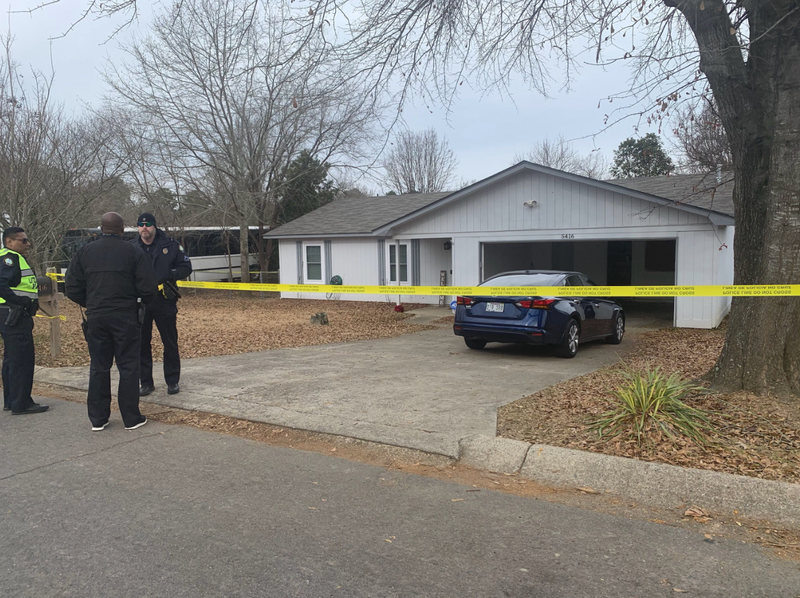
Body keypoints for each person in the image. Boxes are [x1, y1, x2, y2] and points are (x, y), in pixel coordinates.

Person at [65, 213, 157, 431]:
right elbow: (149, 287)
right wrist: (137, 301)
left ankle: (98, 418)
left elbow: (71, 287)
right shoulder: (133, 252)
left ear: (101, 228)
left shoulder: (84, 252)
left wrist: (91, 302)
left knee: (99, 366)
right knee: (128, 366)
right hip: (125, 315)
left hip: (96, 316)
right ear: (122, 229)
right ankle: (131, 418)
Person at [131, 212, 192, 396]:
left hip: (164, 299)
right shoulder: (131, 247)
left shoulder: (170, 245)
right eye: (141, 225)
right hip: (141, 301)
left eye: (148, 224)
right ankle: (146, 383)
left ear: (154, 226)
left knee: (169, 342)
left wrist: (169, 274)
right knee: (142, 343)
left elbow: (186, 267)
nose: (144, 228)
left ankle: (172, 381)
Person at [0, 227, 48, 415]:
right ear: (9, 242)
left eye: (27, 240)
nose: (27, 244)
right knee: (22, 359)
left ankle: (12, 400)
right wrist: (21, 302)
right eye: (23, 241)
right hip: (14, 314)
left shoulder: (8, 257)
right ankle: (21, 403)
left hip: (8, 313)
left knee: (12, 358)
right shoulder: (10, 259)